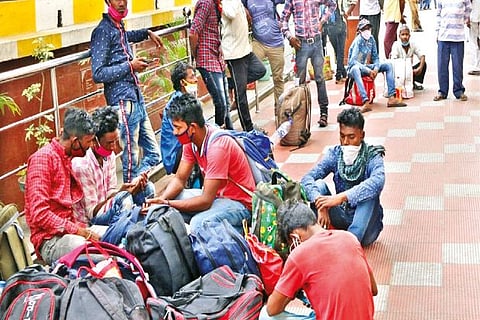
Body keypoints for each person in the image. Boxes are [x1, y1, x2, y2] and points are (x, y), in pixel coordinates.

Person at [146, 94, 255, 234]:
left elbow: (205, 201)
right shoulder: (190, 142)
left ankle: (239, 231)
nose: (174, 132)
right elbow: (179, 179)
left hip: (241, 205)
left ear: (192, 127)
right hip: (217, 198)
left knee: (198, 223)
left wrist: (167, 204)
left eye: (177, 127)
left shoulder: (218, 147)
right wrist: (161, 201)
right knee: (173, 201)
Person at [259, 200, 377, 320]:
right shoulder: (350, 238)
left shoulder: (300, 255)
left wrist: (292, 290)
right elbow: (373, 290)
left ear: (295, 237)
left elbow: (272, 309)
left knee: (265, 316)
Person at [90, 0, 161, 185]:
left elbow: (124, 37)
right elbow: (97, 73)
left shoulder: (118, 26)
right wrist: (130, 66)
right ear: (108, 1)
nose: (122, 3)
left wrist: (146, 33)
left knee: (154, 155)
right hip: (122, 101)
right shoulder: (103, 31)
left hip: (136, 97)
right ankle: (132, 202)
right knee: (131, 163)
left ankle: (138, 189)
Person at [25, 108, 100, 265]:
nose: (91, 146)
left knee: (114, 236)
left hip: (71, 233)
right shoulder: (42, 160)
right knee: (94, 252)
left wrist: (79, 230)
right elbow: (40, 214)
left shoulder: (66, 157)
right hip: (50, 241)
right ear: (74, 142)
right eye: (89, 142)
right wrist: (78, 231)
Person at [301, 107, 385, 247]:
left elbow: (378, 182)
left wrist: (341, 197)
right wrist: (319, 202)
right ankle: (321, 238)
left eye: (351, 137)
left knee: (369, 194)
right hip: (341, 216)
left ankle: (348, 245)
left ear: (362, 135)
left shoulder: (372, 156)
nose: (346, 142)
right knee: (319, 186)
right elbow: (307, 178)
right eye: (342, 136)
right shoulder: (335, 154)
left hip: (366, 228)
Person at [72, 106, 154, 229]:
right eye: (109, 143)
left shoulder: (108, 155)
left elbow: (111, 191)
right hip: (91, 220)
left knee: (147, 188)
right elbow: (91, 213)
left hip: (108, 206)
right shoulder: (82, 165)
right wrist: (121, 194)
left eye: (116, 141)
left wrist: (131, 187)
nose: (113, 147)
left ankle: (140, 225)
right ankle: (128, 231)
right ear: (95, 141)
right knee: (124, 200)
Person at [280, 0, 337, 128]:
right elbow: (283, 19)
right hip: (301, 44)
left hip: (317, 43)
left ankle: (324, 113)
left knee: (320, 78)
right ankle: (300, 115)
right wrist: (290, 37)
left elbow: (332, 4)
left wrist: (322, 21)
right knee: (299, 82)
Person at [222, 0, 266, 132]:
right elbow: (231, 14)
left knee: (260, 70)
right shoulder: (228, 2)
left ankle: (231, 84)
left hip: (245, 50)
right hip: (235, 54)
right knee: (241, 96)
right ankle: (249, 128)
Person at [189, 0, 234, 130]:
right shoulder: (206, 3)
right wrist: (196, 55)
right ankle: (217, 136)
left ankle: (230, 137)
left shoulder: (215, 4)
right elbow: (193, 33)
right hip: (207, 59)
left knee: (225, 102)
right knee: (221, 103)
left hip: (216, 59)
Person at [347, 18, 407, 112]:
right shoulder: (357, 41)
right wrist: (368, 70)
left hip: (366, 67)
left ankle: (391, 96)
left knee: (388, 65)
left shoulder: (371, 39)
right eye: (364, 29)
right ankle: (365, 101)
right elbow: (353, 61)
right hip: (355, 69)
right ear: (359, 31)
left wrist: (376, 68)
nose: (367, 31)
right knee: (355, 69)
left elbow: (376, 57)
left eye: (368, 28)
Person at [243, 0, 285, 112]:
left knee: (278, 78)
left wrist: (283, 24)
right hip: (258, 42)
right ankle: (240, 103)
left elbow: (289, 4)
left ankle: (279, 110)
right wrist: (245, 10)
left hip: (276, 42)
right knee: (246, 70)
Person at [161, 62, 198, 175]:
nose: (196, 80)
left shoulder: (185, 98)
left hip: (182, 148)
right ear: (182, 82)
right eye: (192, 77)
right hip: (175, 156)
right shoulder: (177, 104)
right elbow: (188, 134)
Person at [433, 0, 471, 101]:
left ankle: (459, 91)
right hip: (443, 37)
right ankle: (442, 91)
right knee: (442, 66)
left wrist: (464, 20)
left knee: (457, 66)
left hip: (458, 37)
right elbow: (438, 14)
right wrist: (437, 32)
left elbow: (468, 8)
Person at [390, 24, 427, 90]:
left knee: (423, 64)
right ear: (399, 36)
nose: (405, 37)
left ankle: (413, 82)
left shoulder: (413, 44)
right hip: (399, 71)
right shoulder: (396, 45)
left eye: (406, 34)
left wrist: (420, 68)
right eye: (403, 34)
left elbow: (422, 55)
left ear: (409, 36)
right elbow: (394, 62)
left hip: (409, 70)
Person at [467, 0, 480, 76]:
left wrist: (468, 18)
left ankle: (477, 66)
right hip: (476, 15)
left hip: (475, 16)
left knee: (474, 42)